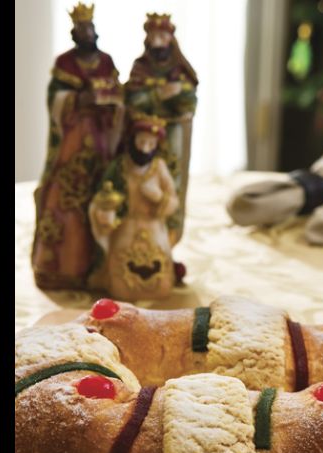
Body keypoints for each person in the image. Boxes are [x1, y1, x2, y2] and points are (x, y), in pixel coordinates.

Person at [31, 2, 125, 289]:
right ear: (74, 33)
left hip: (99, 139)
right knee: (64, 200)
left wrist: (107, 101)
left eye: (90, 28)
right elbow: (55, 99)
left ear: (95, 32)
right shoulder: (65, 64)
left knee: (101, 196)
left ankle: (99, 267)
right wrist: (75, 100)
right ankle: (61, 267)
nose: (87, 33)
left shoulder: (106, 61)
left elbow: (118, 95)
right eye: (81, 29)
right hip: (72, 139)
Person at [125, 13, 198, 246]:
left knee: (169, 178)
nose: (157, 42)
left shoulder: (181, 70)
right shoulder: (140, 68)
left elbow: (188, 103)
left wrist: (178, 95)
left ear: (170, 39)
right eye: (153, 36)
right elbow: (132, 99)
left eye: (162, 36)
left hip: (172, 133)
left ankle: (169, 230)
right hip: (143, 135)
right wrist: (159, 95)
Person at [88, 114, 179, 301]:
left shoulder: (159, 167)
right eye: (142, 142)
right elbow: (102, 196)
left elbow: (174, 201)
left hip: (153, 227)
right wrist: (104, 211)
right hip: (127, 227)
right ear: (133, 140)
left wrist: (159, 197)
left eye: (150, 144)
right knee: (121, 277)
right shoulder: (119, 167)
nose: (145, 148)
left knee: (159, 275)